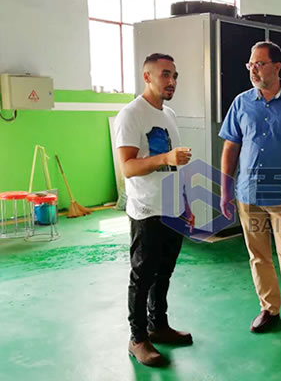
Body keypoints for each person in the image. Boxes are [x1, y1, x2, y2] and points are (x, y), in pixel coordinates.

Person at [218, 41, 281, 352]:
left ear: (277, 67)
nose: (253, 69)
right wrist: (225, 190)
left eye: (259, 64)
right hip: (247, 194)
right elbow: (230, 148)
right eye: (250, 64)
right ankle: (269, 308)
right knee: (258, 256)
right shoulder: (241, 103)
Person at [115, 53, 195, 367]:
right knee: (143, 276)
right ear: (147, 76)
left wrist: (186, 203)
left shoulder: (169, 114)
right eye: (165, 74)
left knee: (164, 273)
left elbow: (176, 167)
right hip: (147, 210)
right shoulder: (131, 115)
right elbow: (127, 167)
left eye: (174, 75)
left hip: (173, 209)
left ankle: (158, 325)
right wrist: (164, 158)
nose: (172, 81)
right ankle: (137, 339)